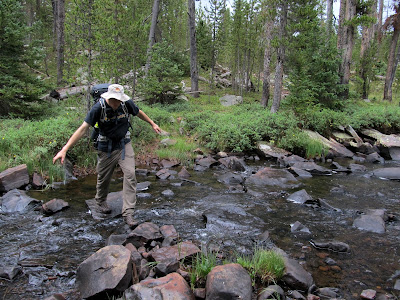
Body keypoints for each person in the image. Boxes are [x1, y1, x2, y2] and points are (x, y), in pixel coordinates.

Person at [53, 84, 162, 228]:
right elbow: (83, 128)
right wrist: (65, 149)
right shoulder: (99, 108)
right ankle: (100, 201)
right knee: (103, 178)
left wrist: (152, 123)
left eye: (118, 100)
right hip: (106, 147)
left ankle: (128, 213)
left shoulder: (126, 104)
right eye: (113, 100)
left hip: (124, 145)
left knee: (130, 175)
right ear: (107, 97)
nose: (115, 103)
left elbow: (138, 112)